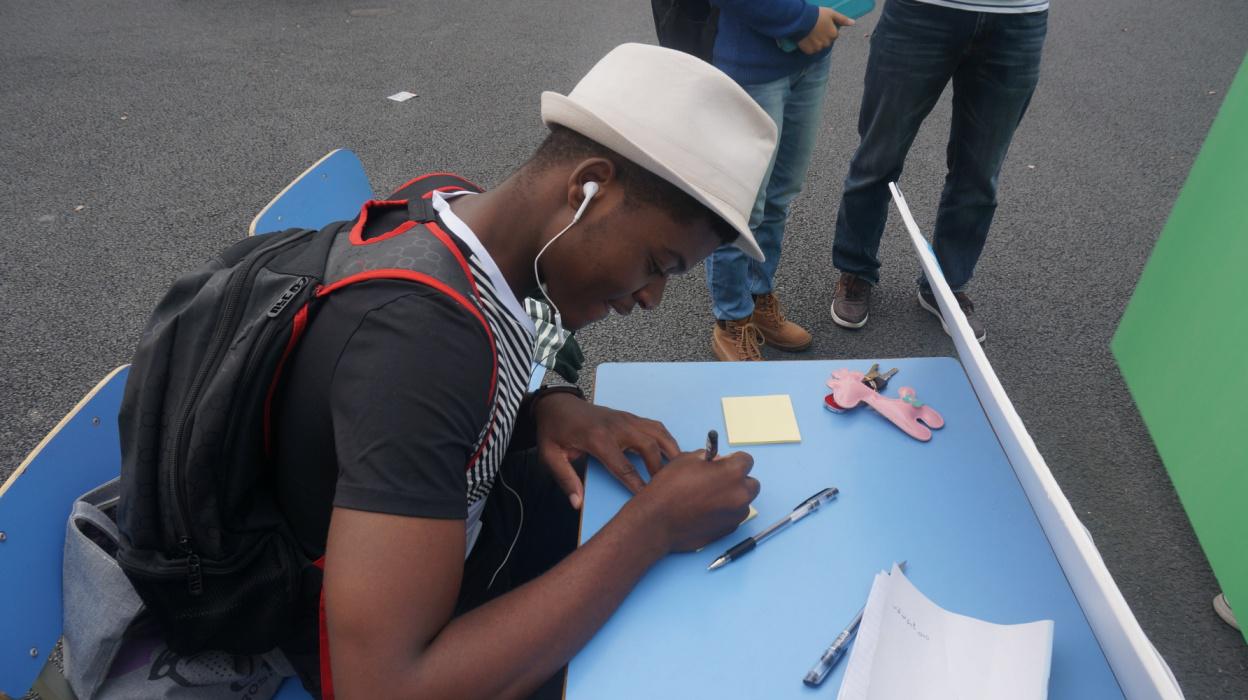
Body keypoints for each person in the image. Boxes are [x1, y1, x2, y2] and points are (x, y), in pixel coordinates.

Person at [268, 44, 777, 698]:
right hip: (384, 633)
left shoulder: (450, 205)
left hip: (452, 535)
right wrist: (653, 526)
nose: (652, 298)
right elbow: (383, 685)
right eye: (657, 264)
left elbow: (445, 405)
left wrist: (542, 408)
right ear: (588, 188)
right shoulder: (420, 348)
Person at [829, 0, 1049, 343]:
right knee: (877, 159)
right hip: (922, 12)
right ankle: (855, 271)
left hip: (1018, 21)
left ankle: (946, 286)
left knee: (980, 174)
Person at [705, 0, 854, 361]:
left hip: (812, 58)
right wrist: (800, 21)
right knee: (741, 206)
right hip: (751, 66)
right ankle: (732, 319)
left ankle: (758, 298)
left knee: (779, 195)